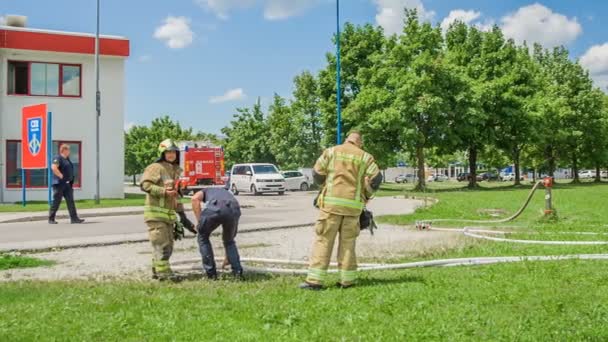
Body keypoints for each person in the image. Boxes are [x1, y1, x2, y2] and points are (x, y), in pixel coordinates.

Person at [300, 131, 382, 290]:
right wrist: (367, 194)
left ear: (347, 140)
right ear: (360, 143)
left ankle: (315, 281)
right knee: (348, 244)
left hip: (330, 206)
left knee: (323, 241)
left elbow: (316, 173)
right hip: (353, 208)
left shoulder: (331, 152)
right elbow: (377, 178)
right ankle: (347, 281)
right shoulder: (365, 157)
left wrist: (324, 185)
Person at [140, 139, 193, 281]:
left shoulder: (175, 171)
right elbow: (145, 185)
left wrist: (183, 217)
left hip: (168, 217)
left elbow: (177, 197)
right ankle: (165, 275)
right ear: (162, 153)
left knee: (168, 245)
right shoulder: (155, 167)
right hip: (155, 215)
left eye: (174, 152)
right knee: (161, 244)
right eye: (168, 152)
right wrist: (163, 192)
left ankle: (156, 271)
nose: (171, 155)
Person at [191, 187, 243, 279]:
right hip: (234, 208)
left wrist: (200, 223)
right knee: (229, 241)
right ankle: (238, 273)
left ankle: (211, 274)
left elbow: (195, 199)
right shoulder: (226, 194)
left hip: (216, 207)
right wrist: (229, 257)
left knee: (203, 237)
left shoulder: (205, 191)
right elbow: (231, 235)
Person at [48, 144, 84, 224]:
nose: (69, 152)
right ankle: (51, 218)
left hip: (67, 184)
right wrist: (61, 176)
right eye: (68, 150)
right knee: (56, 201)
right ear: (64, 150)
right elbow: (53, 167)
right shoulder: (58, 158)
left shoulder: (67, 159)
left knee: (70, 201)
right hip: (59, 184)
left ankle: (74, 219)